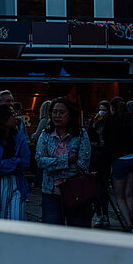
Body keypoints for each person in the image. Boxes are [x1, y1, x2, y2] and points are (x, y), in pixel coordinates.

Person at [36, 97, 91, 227]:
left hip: (76, 191)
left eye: (61, 112)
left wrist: (52, 166)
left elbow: (83, 163)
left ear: (69, 115)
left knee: (77, 231)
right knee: (52, 231)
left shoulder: (80, 134)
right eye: (54, 112)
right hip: (51, 192)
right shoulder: (45, 134)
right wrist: (67, 160)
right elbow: (40, 161)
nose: (57, 116)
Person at [102, 97, 133, 232]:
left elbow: (105, 140)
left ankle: (129, 224)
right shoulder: (129, 119)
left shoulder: (109, 120)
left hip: (119, 159)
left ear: (112, 108)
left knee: (119, 196)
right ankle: (132, 221)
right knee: (129, 194)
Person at [88, 100, 111, 227]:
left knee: (103, 188)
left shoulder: (110, 123)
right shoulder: (94, 122)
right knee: (95, 188)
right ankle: (98, 214)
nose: (102, 112)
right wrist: (94, 124)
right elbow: (89, 137)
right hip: (95, 159)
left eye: (104, 110)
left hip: (105, 159)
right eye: (100, 109)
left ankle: (105, 214)